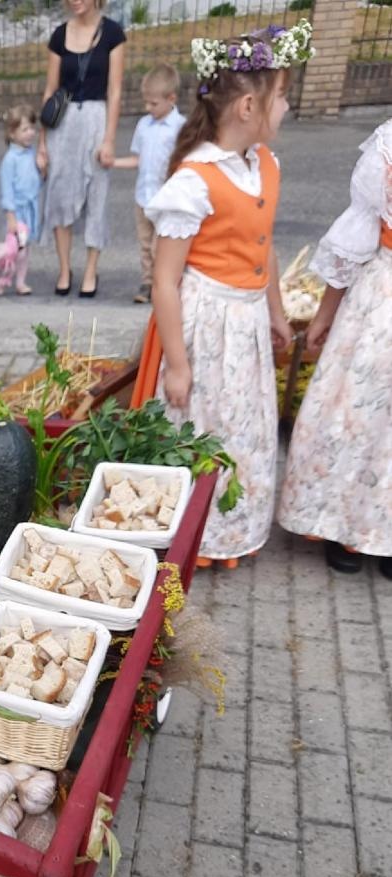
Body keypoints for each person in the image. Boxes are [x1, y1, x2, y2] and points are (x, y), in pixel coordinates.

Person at [144, 21, 313, 568]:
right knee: (204, 428)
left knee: (244, 428)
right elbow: (165, 280)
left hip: (244, 326)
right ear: (246, 106)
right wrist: (176, 363)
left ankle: (229, 533)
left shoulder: (265, 164)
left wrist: (277, 312)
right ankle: (197, 538)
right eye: (282, 94)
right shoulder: (194, 181)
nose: (287, 106)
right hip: (206, 324)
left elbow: (262, 248)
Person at [277, 118, 392, 578]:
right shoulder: (389, 146)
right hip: (383, 293)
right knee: (358, 413)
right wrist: (325, 314)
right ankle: (344, 525)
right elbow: (358, 233)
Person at [37, 0, 126, 298]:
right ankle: (64, 269)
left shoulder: (113, 34)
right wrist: (42, 143)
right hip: (62, 124)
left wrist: (110, 138)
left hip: (97, 120)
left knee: (96, 195)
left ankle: (91, 269)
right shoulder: (59, 35)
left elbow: (115, 91)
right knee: (59, 195)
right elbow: (50, 91)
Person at [112, 63, 184, 304]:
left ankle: (165, 283)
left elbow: (184, 163)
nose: (148, 108)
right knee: (145, 244)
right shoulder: (144, 125)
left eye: (153, 104)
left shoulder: (179, 127)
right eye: (147, 103)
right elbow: (138, 159)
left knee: (160, 246)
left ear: (171, 98)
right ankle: (147, 282)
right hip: (144, 196)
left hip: (166, 199)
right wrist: (113, 162)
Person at [0, 104, 42, 297]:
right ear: (12, 133)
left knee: (25, 249)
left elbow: (36, 179)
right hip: (17, 211)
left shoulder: (31, 153)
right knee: (15, 249)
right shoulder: (10, 160)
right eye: (25, 129)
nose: (30, 133)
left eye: (32, 128)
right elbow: (7, 189)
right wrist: (10, 216)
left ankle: (20, 282)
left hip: (30, 209)